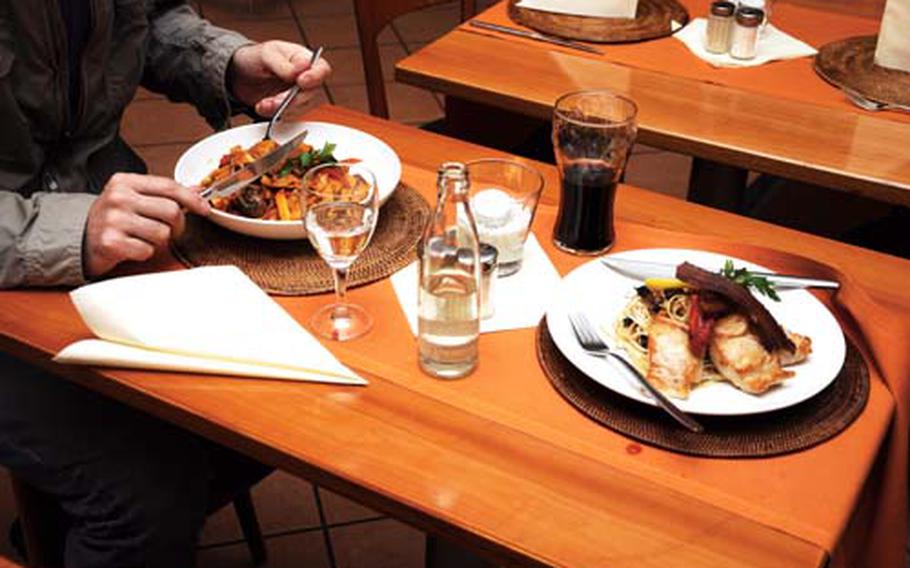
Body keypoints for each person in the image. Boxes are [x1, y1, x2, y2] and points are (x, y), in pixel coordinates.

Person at [0, 1, 330, 566]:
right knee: (147, 496)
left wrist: (228, 63)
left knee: (284, 397)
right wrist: (71, 228)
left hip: (110, 230)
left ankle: (54, 532)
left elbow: (145, 20)